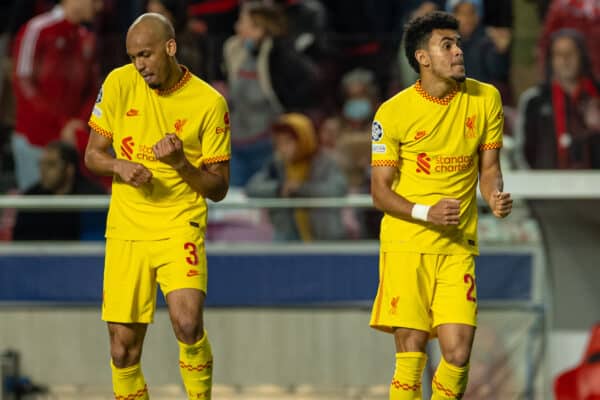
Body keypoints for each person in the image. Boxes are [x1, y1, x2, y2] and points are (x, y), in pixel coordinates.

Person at [84, 13, 230, 400]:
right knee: (122, 349)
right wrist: (119, 165)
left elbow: (218, 188)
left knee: (187, 322)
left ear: (170, 47)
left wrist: (181, 164)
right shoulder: (118, 83)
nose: (139, 65)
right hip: (127, 229)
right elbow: (93, 156)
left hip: (178, 223)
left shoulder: (209, 102)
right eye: (133, 56)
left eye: (145, 55)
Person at [369, 11, 513, 399]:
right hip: (407, 243)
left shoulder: (486, 99)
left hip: (456, 245)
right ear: (423, 58)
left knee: (458, 351)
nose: (457, 52)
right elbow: (379, 192)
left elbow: (489, 168)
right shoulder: (392, 113)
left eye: (458, 44)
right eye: (446, 45)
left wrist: (494, 195)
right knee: (412, 349)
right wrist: (424, 212)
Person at [11, 0, 103, 191]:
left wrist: (79, 122)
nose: (99, 6)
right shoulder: (38, 29)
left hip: (72, 142)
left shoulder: (86, 38)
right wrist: (63, 123)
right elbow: (23, 81)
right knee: (38, 213)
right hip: (35, 140)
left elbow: (93, 90)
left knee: (70, 215)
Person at [223, 1, 317, 187]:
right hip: (236, 145)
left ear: (259, 29)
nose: (237, 27)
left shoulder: (280, 55)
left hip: (267, 144)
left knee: (265, 199)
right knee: (234, 205)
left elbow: (301, 87)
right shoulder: (233, 50)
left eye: (242, 23)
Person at [245, 113, 348, 241]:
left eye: (288, 141)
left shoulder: (325, 162)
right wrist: (279, 189)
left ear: (304, 139)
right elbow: (252, 188)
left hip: (324, 239)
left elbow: (338, 189)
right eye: (279, 143)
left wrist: (301, 188)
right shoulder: (276, 164)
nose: (282, 148)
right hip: (287, 239)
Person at [516, 28, 600, 169]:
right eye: (559, 54)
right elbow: (521, 153)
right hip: (547, 187)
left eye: (571, 53)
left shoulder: (596, 96)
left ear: (582, 57)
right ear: (551, 60)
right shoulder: (534, 101)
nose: (565, 59)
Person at [12, 140, 106, 241]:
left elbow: (94, 243)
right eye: (41, 164)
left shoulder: (92, 198)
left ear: (69, 169)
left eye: (51, 164)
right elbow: (20, 242)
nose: (43, 170)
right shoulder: (31, 198)